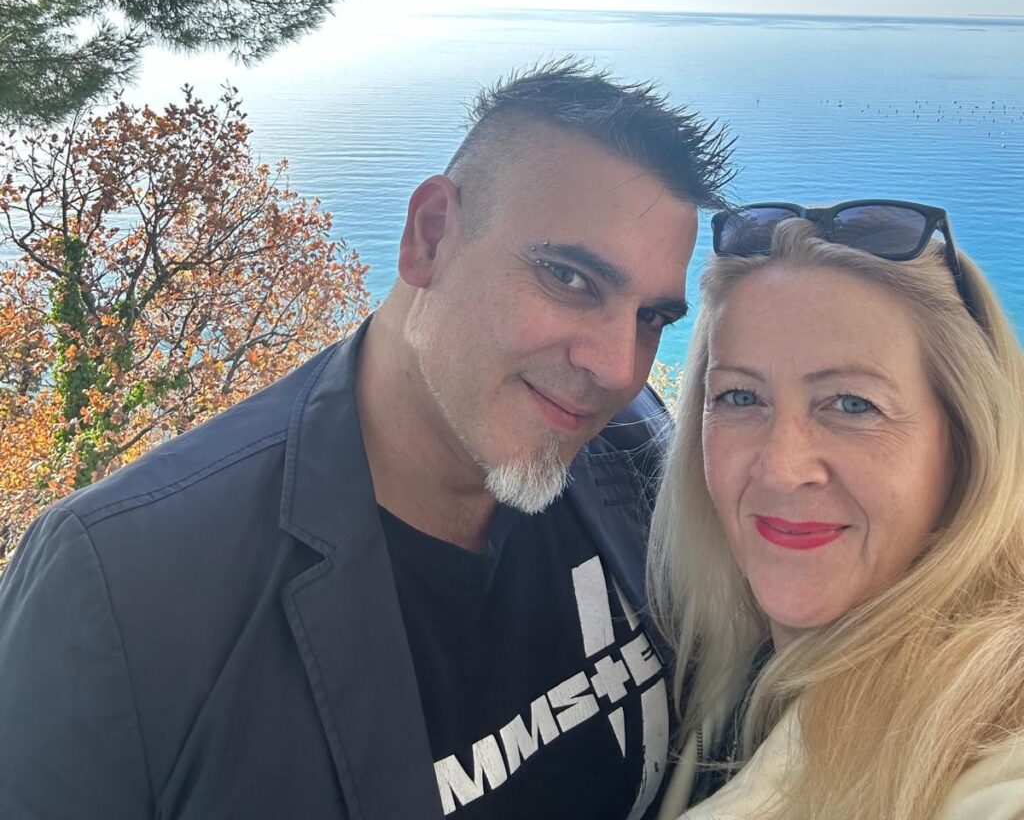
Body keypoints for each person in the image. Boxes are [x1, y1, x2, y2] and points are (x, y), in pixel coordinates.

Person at [0, 59, 735, 820]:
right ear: (430, 237)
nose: (616, 367)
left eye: (653, 318)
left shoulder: (635, 449)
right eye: (571, 279)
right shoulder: (122, 587)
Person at [648, 202, 1024, 820]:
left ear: (964, 443)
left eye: (852, 404)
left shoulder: (995, 739)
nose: (781, 468)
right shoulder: (723, 660)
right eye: (740, 396)